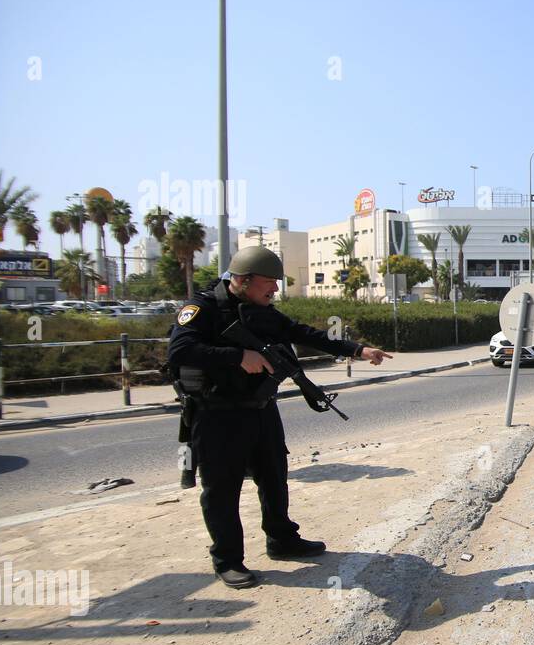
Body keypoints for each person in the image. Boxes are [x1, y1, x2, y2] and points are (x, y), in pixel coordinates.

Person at [168, 246, 392, 588]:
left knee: (274, 477)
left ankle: (282, 539)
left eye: (276, 285)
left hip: (260, 410)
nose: (274, 291)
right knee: (222, 490)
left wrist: (358, 350)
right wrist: (237, 356)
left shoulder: (264, 311)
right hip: (217, 416)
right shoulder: (202, 309)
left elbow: (305, 334)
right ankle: (227, 560)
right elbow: (180, 350)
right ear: (241, 281)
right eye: (267, 284)